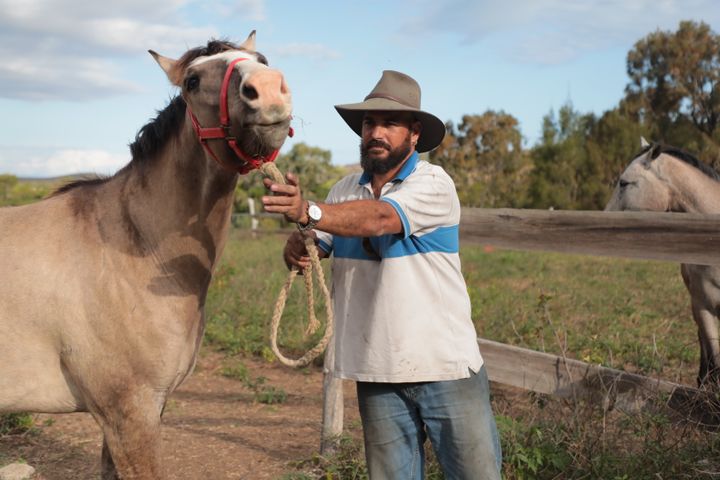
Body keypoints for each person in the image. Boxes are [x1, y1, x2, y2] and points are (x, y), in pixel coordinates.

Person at [262, 70, 502, 479]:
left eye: (390, 123)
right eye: (369, 123)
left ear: (414, 134)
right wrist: (298, 245)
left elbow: (379, 219)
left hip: (444, 366)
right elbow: (314, 245)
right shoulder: (343, 192)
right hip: (376, 370)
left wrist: (309, 212)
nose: (376, 132)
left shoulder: (434, 184)